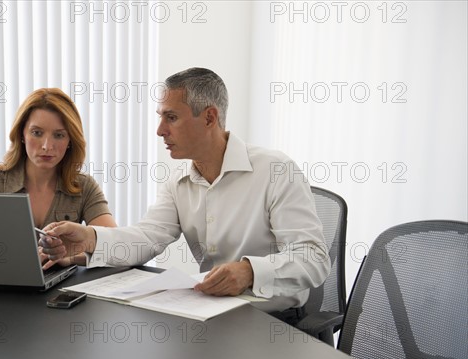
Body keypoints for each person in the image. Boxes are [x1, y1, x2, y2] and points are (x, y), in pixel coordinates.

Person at [38, 68, 329, 321]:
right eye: (160, 117)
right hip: (213, 317)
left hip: (273, 325)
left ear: (209, 117)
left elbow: (313, 259)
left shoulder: (276, 170)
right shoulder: (178, 181)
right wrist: (89, 238)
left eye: (171, 117)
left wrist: (250, 271)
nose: (160, 130)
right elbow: (147, 237)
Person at [0, 88, 117, 269]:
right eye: (37, 133)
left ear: (70, 140)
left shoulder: (83, 186)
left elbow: (115, 246)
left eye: (59, 135)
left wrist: (70, 257)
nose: (47, 146)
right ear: (22, 134)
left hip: (58, 290)